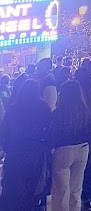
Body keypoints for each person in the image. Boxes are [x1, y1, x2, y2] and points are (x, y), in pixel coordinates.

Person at [0, 78, 51, 211]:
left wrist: (8, 148)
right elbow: (50, 130)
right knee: (31, 190)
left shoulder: (13, 109)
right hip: (35, 154)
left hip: (15, 153)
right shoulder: (43, 107)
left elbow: (4, 132)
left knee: (12, 188)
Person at [50, 79, 91, 211]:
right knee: (76, 189)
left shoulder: (59, 113)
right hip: (83, 148)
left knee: (61, 191)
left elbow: (53, 133)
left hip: (63, 150)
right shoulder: (85, 111)